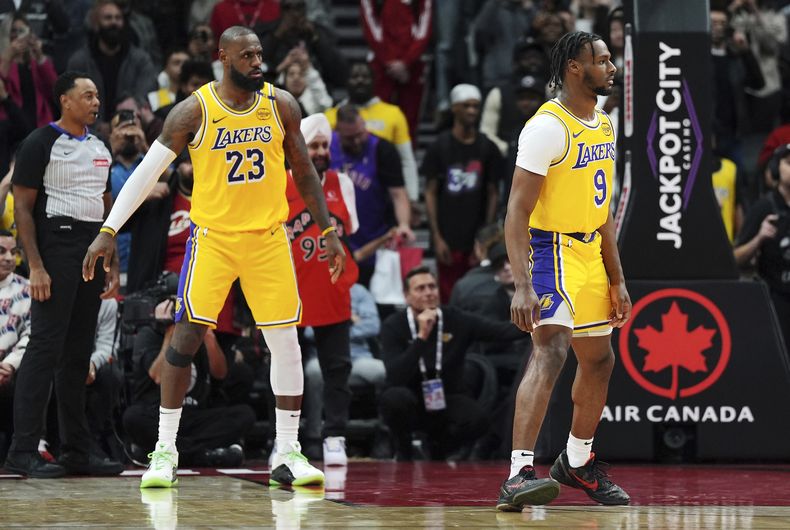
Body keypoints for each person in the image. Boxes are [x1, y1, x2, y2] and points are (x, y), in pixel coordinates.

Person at [82, 25, 346, 489]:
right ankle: (164, 451)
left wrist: (326, 228)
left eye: (260, 54)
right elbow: (148, 173)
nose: (257, 63)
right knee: (184, 339)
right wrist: (108, 230)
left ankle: (287, 452)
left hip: (267, 238)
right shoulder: (193, 111)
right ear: (223, 57)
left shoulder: (281, 104)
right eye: (247, 56)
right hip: (215, 239)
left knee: (286, 342)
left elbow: (304, 170)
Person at [497, 31, 631, 510]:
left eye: (611, 59)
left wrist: (616, 277)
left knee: (600, 360)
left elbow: (603, 208)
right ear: (575, 68)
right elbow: (515, 211)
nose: (611, 67)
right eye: (602, 60)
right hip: (548, 248)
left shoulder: (606, 125)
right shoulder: (547, 127)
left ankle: (576, 461)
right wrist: (522, 285)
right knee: (551, 350)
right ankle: (517, 474)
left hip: (590, 249)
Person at [4, 71, 122, 478]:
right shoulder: (40, 142)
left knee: (77, 351)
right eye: (86, 95)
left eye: (96, 95)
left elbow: (109, 207)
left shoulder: (100, 146)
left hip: (94, 244)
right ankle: (23, 448)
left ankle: (76, 449)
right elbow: (22, 210)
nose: (95, 102)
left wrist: (113, 262)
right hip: (57, 242)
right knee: (45, 347)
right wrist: (35, 265)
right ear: (64, 101)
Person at [379, 266, 526, 461]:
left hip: (446, 396)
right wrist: (422, 337)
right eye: (420, 288)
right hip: (410, 397)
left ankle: (438, 451)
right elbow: (395, 375)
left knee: (477, 420)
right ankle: (403, 451)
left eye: (432, 287)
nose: (428, 292)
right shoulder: (393, 325)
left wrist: (539, 319)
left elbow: (503, 331)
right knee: (393, 398)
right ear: (407, 296)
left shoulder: (456, 319)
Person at [285, 113, 359, 465]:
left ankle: (335, 436)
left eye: (324, 145)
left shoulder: (342, 183)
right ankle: (288, 439)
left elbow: (351, 230)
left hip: (333, 286)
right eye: (313, 145)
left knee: (337, 369)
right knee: (288, 367)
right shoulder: (281, 182)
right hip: (292, 289)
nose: (319, 151)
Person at [423, 84, 504, 302]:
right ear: (454, 108)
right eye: (466, 106)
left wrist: (485, 236)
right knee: (448, 294)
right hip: (448, 235)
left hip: (475, 235)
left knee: (477, 292)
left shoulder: (487, 148)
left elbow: (493, 191)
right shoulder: (439, 147)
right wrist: (436, 237)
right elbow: (430, 192)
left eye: (476, 107)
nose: (471, 111)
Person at [330, 104, 413, 286]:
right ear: (337, 132)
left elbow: (398, 193)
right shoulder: (325, 148)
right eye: (350, 138)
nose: (357, 141)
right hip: (335, 242)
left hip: (376, 239)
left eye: (361, 134)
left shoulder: (383, 149)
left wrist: (404, 224)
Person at [325, 62, 420, 203]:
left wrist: (412, 197)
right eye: (355, 76)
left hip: (383, 192)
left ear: (374, 81)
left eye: (365, 76)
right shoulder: (330, 116)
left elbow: (406, 159)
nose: (360, 80)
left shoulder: (393, 113)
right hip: (339, 194)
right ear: (346, 82)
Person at [734, 144, 790, 350]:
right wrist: (759, 238)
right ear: (775, 170)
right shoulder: (763, 208)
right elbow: (735, 258)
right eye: (789, 163)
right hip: (776, 300)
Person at [0, 230, 30, 461]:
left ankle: (31, 447)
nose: (9, 258)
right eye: (1, 251)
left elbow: (32, 335)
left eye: (14, 252)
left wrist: (9, 365)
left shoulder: (27, 289)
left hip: (13, 371)